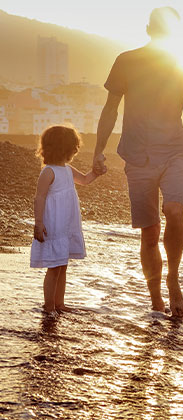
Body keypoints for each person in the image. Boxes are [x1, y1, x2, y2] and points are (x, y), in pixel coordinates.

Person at [93, 7, 183, 317]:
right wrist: (98, 149)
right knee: (150, 232)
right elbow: (110, 109)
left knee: (174, 210)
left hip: (173, 152)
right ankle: (155, 301)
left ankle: (174, 278)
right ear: (149, 29)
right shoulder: (126, 60)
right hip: (137, 155)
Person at [31, 125, 103, 315]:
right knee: (54, 267)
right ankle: (48, 306)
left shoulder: (68, 170)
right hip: (53, 225)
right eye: (73, 147)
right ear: (63, 148)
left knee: (62, 265)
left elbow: (86, 180)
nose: (76, 150)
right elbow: (39, 198)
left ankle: (59, 304)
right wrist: (38, 223)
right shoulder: (49, 172)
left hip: (66, 224)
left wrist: (96, 172)